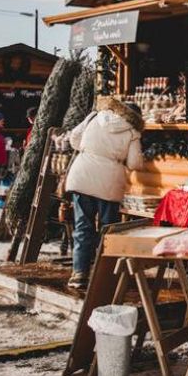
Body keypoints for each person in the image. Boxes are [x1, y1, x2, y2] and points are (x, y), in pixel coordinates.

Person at [63, 97, 143, 289]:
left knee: (83, 227)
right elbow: (134, 163)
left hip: (82, 174)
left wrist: (90, 149)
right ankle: (106, 275)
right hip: (110, 181)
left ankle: (79, 274)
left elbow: (74, 138)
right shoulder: (133, 131)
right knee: (108, 229)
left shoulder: (94, 116)